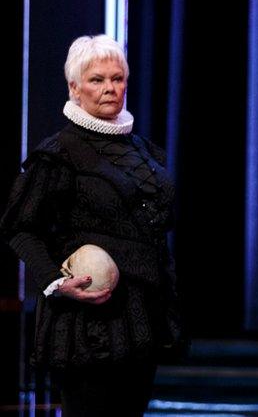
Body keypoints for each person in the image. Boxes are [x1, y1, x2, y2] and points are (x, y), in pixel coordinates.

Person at [1, 35, 184, 416]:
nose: (109, 89)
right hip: (90, 323)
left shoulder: (144, 151)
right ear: (74, 88)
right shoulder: (60, 153)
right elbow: (18, 226)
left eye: (117, 79)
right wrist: (54, 280)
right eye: (97, 80)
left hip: (141, 317)